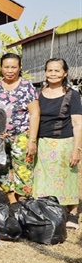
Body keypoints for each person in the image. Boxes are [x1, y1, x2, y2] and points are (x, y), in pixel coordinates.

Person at [32, 58, 81, 229]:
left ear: (65, 73)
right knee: (42, 179)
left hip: (65, 143)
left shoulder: (72, 94)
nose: (53, 74)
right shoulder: (37, 93)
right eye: (49, 70)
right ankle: (47, 210)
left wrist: (77, 149)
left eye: (57, 71)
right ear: (45, 72)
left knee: (67, 177)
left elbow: (77, 123)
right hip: (42, 143)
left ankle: (73, 212)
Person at [0, 53, 39, 204]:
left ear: (20, 68)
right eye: (6, 67)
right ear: (1, 68)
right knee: (2, 169)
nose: (10, 70)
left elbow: (35, 113)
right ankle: (13, 203)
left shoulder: (27, 87)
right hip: (0, 137)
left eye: (14, 67)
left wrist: (32, 140)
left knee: (23, 170)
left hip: (22, 134)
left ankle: (23, 205)